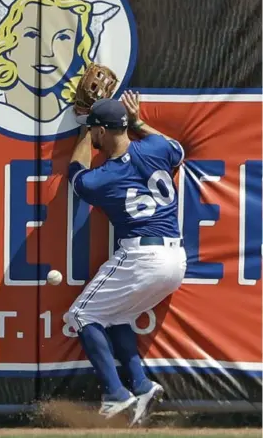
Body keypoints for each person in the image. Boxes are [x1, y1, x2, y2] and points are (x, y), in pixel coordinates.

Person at [67, 90, 187, 426]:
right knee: (117, 315)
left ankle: (115, 396)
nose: (92, 135)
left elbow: (76, 177)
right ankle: (142, 385)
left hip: (141, 256)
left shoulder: (104, 177)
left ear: (101, 132)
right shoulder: (157, 148)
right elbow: (178, 151)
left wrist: (80, 132)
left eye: (94, 131)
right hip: (175, 260)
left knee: (81, 315)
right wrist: (138, 122)